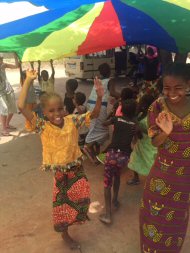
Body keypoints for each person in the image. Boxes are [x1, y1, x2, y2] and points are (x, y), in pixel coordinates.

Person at [18, 69, 104, 250]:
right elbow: (21, 107)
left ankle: (75, 219)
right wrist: (27, 81)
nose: (57, 113)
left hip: (77, 169)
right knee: (61, 206)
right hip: (60, 173)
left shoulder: (72, 120)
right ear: (44, 112)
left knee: (82, 198)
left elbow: (94, 115)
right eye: (51, 110)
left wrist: (100, 96)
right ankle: (65, 235)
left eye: (60, 108)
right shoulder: (42, 126)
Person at [140, 63, 190, 253]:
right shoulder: (157, 107)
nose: (171, 93)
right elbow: (155, 143)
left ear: (188, 85)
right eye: (167, 88)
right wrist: (166, 133)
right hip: (162, 177)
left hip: (185, 179)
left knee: (177, 223)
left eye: (178, 88)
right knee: (154, 220)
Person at [99, 99, 138, 224]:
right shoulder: (134, 124)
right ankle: (115, 200)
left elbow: (104, 124)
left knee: (107, 184)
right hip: (123, 157)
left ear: (122, 111)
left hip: (111, 155)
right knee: (117, 176)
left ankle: (108, 215)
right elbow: (138, 138)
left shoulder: (116, 119)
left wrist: (113, 115)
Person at [84, 63, 119, 163]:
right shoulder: (110, 80)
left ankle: (95, 153)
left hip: (90, 105)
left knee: (94, 128)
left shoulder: (98, 81)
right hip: (99, 105)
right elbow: (112, 93)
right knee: (103, 130)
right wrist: (123, 94)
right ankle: (87, 146)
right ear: (110, 70)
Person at [127, 94, 157, 185]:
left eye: (140, 103)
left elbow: (153, 133)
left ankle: (155, 181)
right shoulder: (140, 114)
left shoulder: (151, 117)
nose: (138, 104)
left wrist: (140, 129)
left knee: (150, 164)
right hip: (140, 143)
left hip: (149, 145)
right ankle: (136, 179)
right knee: (134, 159)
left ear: (144, 106)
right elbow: (135, 122)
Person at [0, 53, 19, 136]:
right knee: (4, 109)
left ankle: (7, 124)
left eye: (1, 59)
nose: (1, 61)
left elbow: (16, 66)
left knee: (12, 107)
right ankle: (3, 129)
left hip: (7, 89)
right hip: (0, 92)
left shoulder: (3, 65)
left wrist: (15, 56)